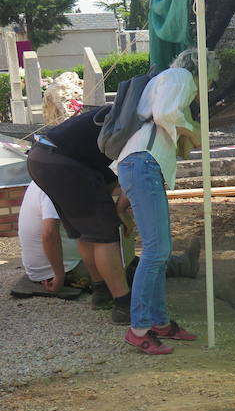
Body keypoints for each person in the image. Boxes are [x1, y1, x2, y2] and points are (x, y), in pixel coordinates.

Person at [110, 48, 217, 355]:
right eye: (211, 79)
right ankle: (139, 327)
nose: (207, 87)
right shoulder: (181, 77)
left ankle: (156, 321)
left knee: (159, 249)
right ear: (203, 70)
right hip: (144, 163)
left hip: (142, 164)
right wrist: (194, 132)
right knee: (157, 250)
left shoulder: (168, 77)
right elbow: (165, 114)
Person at [26, 104, 133, 321]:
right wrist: (120, 211)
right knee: (105, 235)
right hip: (62, 163)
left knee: (83, 231)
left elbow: (110, 185)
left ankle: (101, 292)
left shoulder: (119, 114)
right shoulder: (137, 123)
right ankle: (124, 305)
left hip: (40, 158)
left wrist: (116, 208)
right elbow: (132, 176)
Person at [15, 181, 201, 298]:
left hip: (52, 265)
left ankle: (182, 265)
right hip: (61, 269)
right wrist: (59, 276)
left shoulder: (43, 178)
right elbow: (48, 234)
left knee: (125, 260)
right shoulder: (55, 186)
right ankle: (181, 266)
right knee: (121, 267)